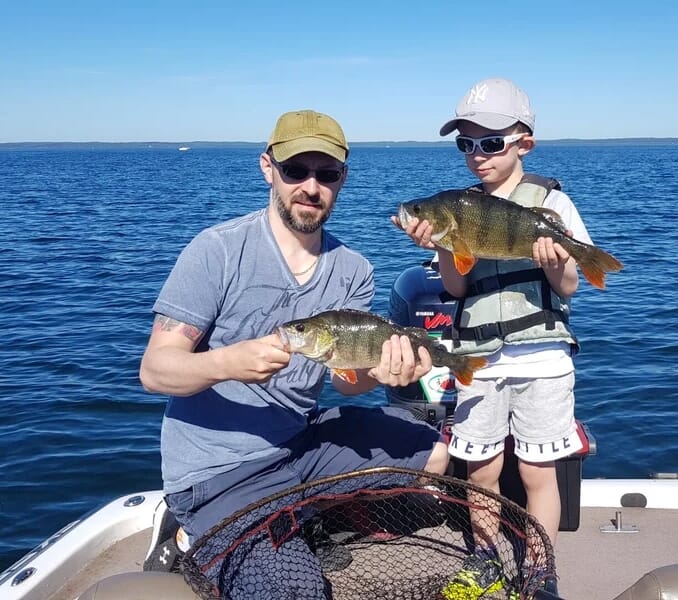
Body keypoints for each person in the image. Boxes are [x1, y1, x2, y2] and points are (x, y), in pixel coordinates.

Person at [139, 109, 449, 598]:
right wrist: (225, 363)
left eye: (326, 174)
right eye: (295, 171)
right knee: (300, 593)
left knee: (435, 452)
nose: (311, 187)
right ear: (268, 168)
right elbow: (155, 371)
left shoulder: (353, 269)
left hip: (300, 442)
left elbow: (349, 381)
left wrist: (385, 372)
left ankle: (298, 513)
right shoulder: (216, 251)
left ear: (342, 179)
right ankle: (190, 530)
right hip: (219, 472)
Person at [394, 78, 592, 599]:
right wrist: (439, 243)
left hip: (544, 356)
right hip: (477, 355)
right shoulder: (457, 206)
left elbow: (570, 286)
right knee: (480, 469)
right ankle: (483, 562)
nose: (477, 156)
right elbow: (457, 285)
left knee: (537, 471)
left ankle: (540, 568)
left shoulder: (553, 203)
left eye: (490, 142)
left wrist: (557, 265)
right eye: (466, 144)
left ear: (523, 141)